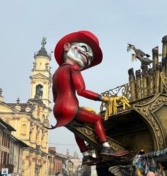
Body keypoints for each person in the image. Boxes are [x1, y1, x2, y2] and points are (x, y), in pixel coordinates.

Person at [51, 30, 128, 165]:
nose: (87, 55)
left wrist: (76, 107)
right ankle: (106, 148)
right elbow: (81, 91)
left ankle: (86, 155)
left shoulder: (56, 73)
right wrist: (105, 99)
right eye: (85, 49)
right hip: (70, 108)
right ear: (67, 47)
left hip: (57, 110)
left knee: (77, 128)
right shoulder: (74, 68)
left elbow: (55, 97)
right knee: (97, 119)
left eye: (90, 57)